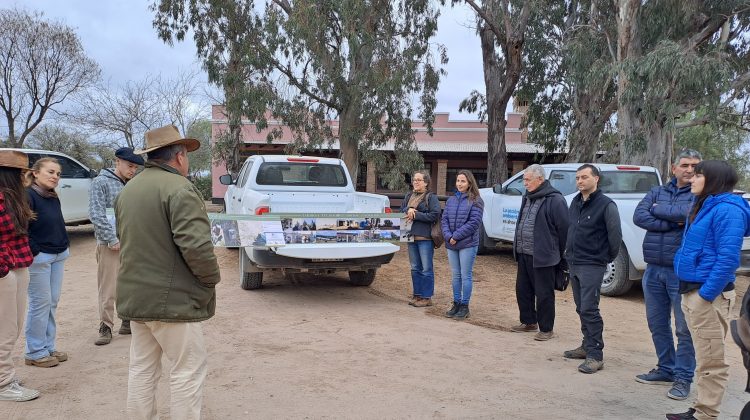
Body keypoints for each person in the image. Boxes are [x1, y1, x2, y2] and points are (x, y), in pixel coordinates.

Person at [116, 124, 221, 419]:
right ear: (179, 156)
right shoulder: (180, 189)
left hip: (136, 297)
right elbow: (197, 247)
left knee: (142, 368)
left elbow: (125, 238)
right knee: (187, 370)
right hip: (172, 300)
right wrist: (211, 278)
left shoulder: (130, 189)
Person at [666, 160, 750, 420]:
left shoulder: (728, 210)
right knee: (704, 355)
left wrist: (705, 295)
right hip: (692, 290)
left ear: (713, 180)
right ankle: (701, 408)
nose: (691, 179)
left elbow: (727, 260)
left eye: (698, 175)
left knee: (712, 360)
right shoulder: (706, 204)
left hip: (707, 295)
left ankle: (706, 414)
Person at [633, 149, 701, 400]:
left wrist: (658, 210)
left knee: (684, 329)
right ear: (674, 168)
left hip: (680, 272)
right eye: (684, 164)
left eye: (695, 165)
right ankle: (666, 368)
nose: (689, 169)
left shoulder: (700, 194)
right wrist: (671, 221)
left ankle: (683, 378)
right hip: (653, 269)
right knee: (657, 323)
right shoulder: (657, 191)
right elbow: (639, 215)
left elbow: (689, 214)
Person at [563, 164, 622, 374]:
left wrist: (604, 258)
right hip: (574, 262)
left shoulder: (606, 205)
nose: (580, 181)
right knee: (581, 307)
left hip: (592, 264)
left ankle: (596, 355)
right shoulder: (575, 202)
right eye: (578, 178)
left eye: (585, 177)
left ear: (596, 179)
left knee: (590, 308)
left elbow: (615, 237)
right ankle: (586, 345)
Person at [90, 147, 144, 345]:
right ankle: (105, 325)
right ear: (117, 162)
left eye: (135, 168)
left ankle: (126, 320)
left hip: (130, 242)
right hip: (110, 244)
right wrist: (111, 239)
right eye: (130, 166)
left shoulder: (131, 184)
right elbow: (96, 214)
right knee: (108, 286)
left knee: (129, 283)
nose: (132, 170)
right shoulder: (100, 182)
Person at [511, 164, 570, 341]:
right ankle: (529, 321)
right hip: (524, 253)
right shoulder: (527, 197)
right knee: (523, 290)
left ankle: (546, 328)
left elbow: (564, 230)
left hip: (544, 256)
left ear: (540, 180)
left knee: (544, 293)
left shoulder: (555, 200)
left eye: (528, 180)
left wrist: (559, 255)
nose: (525, 183)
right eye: (524, 179)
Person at [0, 151, 39, 401]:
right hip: (6, 270)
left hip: (15, 266)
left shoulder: (12, 198)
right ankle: (3, 383)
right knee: (5, 329)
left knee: (11, 328)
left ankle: (4, 376)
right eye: (23, 173)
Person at [24, 158, 70, 368]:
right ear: (35, 173)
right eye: (51, 172)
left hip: (58, 254)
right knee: (39, 303)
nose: (55, 177)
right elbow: (23, 228)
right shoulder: (28, 196)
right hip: (40, 257)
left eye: (58, 174)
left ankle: (48, 346)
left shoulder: (51, 195)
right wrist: (35, 250)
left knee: (51, 302)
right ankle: (34, 351)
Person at [441, 169, 484, 320]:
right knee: (455, 275)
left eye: (463, 181)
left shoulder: (476, 200)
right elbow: (444, 219)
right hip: (451, 243)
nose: (459, 184)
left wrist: (456, 236)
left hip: (467, 243)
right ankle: (456, 303)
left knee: (466, 275)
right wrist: (447, 236)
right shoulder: (451, 200)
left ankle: (465, 306)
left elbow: (474, 223)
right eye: (458, 181)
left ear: (470, 183)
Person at [401, 170, 441, 307]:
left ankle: (426, 297)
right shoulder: (408, 196)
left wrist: (416, 215)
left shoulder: (431, 197)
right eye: (414, 179)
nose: (416, 182)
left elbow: (435, 215)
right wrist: (408, 210)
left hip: (425, 238)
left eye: (419, 180)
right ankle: (417, 295)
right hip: (411, 237)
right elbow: (402, 210)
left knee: (426, 268)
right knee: (414, 268)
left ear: (426, 182)